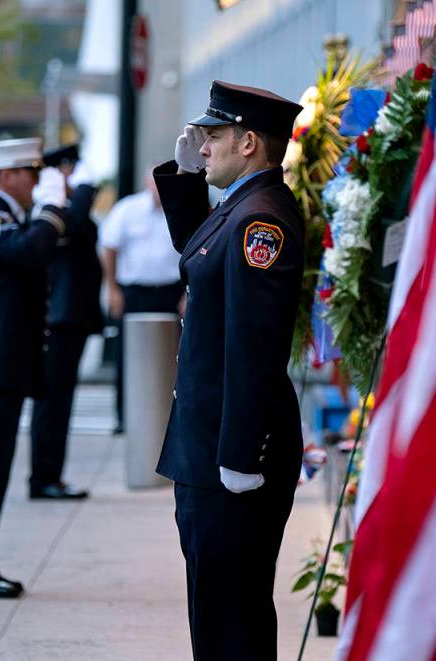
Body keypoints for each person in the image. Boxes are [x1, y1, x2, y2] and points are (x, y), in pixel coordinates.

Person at [153, 80, 304, 660]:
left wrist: (240, 456)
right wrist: (188, 178)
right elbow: (198, 254)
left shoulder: (259, 222)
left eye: (213, 137)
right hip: (207, 445)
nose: (202, 145)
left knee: (230, 619)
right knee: (217, 611)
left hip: (229, 454)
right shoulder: (242, 208)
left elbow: (253, 347)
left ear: (248, 143)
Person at [0, 137, 77, 598]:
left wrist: (47, 214)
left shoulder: (7, 216)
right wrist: (50, 212)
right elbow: (30, 252)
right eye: (30, 172)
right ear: (7, 176)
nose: (36, 180)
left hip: (4, 362)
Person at [27, 144, 101, 499]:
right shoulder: (50, 208)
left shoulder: (65, 208)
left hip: (72, 316)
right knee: (52, 402)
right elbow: (72, 224)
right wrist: (83, 191)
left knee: (60, 401)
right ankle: (43, 477)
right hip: (57, 316)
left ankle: (50, 474)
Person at [100, 168, 183, 434]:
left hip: (171, 292)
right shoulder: (128, 209)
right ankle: (124, 417)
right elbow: (109, 248)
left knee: (176, 356)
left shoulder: (180, 210)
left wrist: (186, 294)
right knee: (128, 355)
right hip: (134, 293)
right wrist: (112, 289)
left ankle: (171, 417)